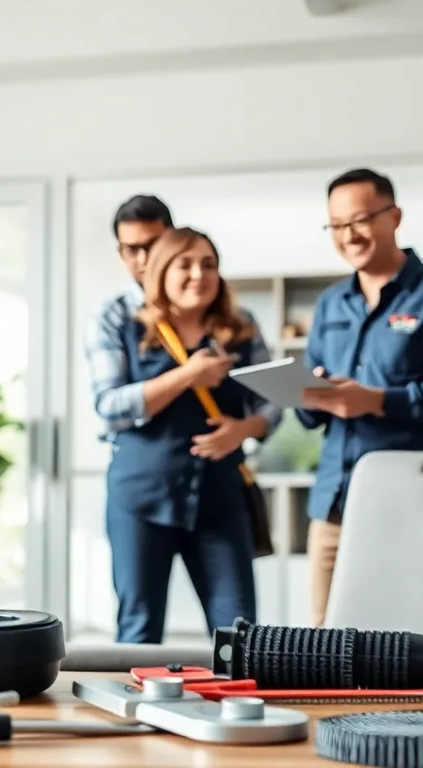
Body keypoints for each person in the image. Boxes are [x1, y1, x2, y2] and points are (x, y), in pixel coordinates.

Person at [297, 168, 423, 627]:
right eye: (337, 226)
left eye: (359, 220)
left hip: (414, 502)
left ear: (394, 216)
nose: (348, 235)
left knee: (412, 637)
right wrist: (309, 394)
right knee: (322, 645)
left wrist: (377, 400)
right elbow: (308, 415)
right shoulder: (330, 304)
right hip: (334, 506)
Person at [89, 226, 281, 643]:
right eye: (186, 264)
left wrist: (245, 429)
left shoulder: (241, 327)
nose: (199, 274)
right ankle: (137, 710)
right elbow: (109, 407)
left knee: (241, 632)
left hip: (220, 498)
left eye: (209, 264)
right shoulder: (126, 325)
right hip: (141, 500)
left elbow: (272, 404)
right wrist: (188, 375)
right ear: (160, 271)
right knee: (139, 630)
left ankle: (241, 708)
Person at [85, 194, 175, 435]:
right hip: (141, 468)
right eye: (133, 249)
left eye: (153, 245)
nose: (144, 260)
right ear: (121, 253)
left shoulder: (214, 311)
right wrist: (188, 376)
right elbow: (109, 407)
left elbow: (261, 405)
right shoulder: (109, 317)